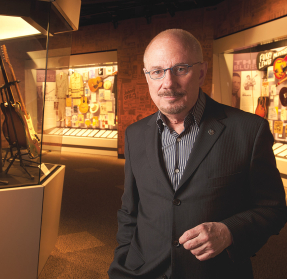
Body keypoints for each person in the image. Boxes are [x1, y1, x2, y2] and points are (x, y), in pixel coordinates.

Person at [108, 29, 287, 279]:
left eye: (181, 69)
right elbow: (130, 211)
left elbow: (274, 209)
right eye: (157, 72)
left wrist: (229, 232)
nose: (168, 83)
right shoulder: (135, 134)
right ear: (147, 76)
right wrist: (122, 264)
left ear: (201, 72)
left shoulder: (249, 130)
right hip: (143, 270)